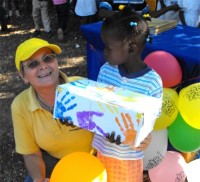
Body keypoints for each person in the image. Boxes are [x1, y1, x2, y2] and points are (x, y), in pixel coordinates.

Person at [92, 6, 163, 182]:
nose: (104, 52)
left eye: (108, 47)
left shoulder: (152, 83)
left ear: (131, 48)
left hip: (127, 160)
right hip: (100, 151)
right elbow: (97, 107)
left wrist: (133, 136)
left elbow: (146, 128)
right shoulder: (106, 71)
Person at [11, 38, 95, 182]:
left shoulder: (85, 88)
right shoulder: (20, 106)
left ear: (56, 62)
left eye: (48, 58)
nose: (43, 66)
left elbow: (114, 128)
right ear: (23, 76)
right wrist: (39, 178)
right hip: (52, 163)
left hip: (93, 161)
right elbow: (31, 154)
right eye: (33, 64)